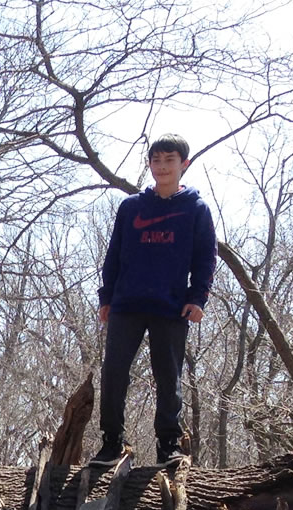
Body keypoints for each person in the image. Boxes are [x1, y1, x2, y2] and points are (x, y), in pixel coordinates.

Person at [92, 133, 216, 465]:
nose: (162, 167)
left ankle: (168, 444)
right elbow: (113, 255)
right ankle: (112, 441)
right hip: (127, 304)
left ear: (183, 165)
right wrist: (107, 297)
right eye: (156, 160)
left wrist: (198, 298)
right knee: (114, 370)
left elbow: (205, 258)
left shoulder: (196, 209)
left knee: (168, 375)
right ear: (149, 164)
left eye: (169, 160)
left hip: (171, 306)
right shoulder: (132, 207)